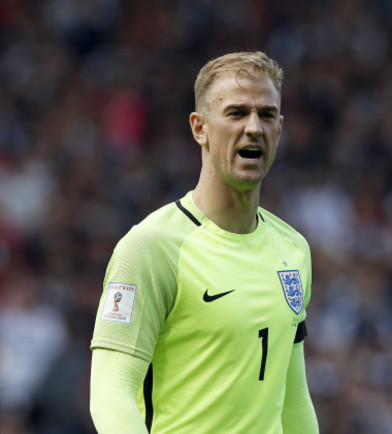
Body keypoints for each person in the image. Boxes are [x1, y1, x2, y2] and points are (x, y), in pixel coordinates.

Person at [89, 51, 319, 433]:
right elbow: (112, 394)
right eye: (236, 113)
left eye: (265, 115)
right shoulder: (151, 247)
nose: (253, 128)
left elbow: (293, 399)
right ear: (200, 127)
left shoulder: (293, 250)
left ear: (279, 128)